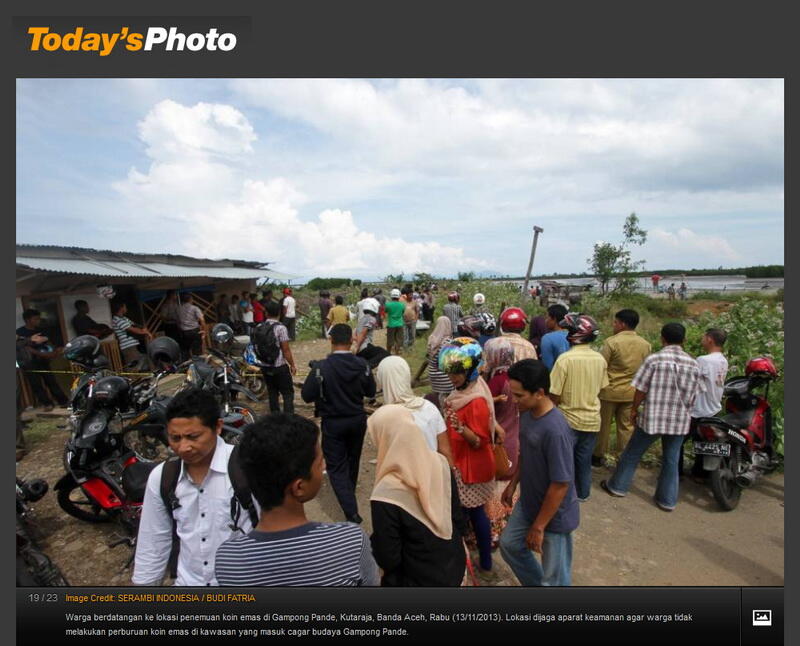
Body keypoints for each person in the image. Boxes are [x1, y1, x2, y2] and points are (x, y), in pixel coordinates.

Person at [214, 413, 380, 586]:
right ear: (299, 487)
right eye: (319, 463)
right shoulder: (350, 543)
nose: (324, 467)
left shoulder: (229, 560)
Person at [132, 388, 254, 586]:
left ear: (218, 427)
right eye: (175, 438)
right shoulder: (162, 478)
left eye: (193, 436)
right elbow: (153, 543)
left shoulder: (248, 468)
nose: (183, 447)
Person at [601, 323, 700, 511]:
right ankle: (667, 500)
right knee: (671, 459)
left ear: (662, 338)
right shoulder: (693, 363)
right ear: (684, 340)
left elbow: (641, 388)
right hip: (679, 420)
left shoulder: (655, 360)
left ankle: (618, 487)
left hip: (653, 417)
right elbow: (695, 394)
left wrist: (634, 409)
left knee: (632, 453)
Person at [500, 359, 579, 587]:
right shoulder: (527, 414)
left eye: (519, 395)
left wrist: (539, 526)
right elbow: (526, 453)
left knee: (555, 577)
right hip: (529, 503)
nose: (514, 401)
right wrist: (513, 483)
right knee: (510, 545)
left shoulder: (555, 431)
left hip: (554, 516)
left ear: (540, 393)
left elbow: (561, 484)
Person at [368, 405, 466, 586]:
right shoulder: (440, 463)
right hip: (454, 566)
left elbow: (389, 558)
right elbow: (457, 518)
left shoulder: (385, 494)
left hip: (417, 578)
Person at [301, 324, 376, 523]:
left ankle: (351, 511)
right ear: (352, 339)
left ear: (331, 340)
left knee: (335, 466)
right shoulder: (362, 365)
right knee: (353, 460)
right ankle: (348, 496)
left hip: (333, 422)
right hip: (357, 420)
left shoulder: (321, 367)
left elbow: (306, 395)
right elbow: (370, 391)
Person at [439, 337, 496, 574]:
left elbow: (479, 442)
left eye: (457, 373)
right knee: (470, 514)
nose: (452, 378)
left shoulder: (476, 401)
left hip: (470, 465)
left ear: (471, 371)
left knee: (472, 514)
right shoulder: (465, 391)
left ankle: (483, 562)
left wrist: (461, 429)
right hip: (461, 460)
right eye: (450, 373)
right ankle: (480, 561)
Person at [548, 313, 607, 502]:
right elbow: (602, 387)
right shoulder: (600, 359)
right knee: (584, 460)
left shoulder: (565, 360)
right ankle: (583, 494)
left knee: (564, 460)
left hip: (568, 419)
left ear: (574, 334)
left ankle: (563, 495)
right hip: (592, 419)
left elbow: (554, 394)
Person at [593, 309, 651, 466]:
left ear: (623, 324)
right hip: (631, 392)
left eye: (615, 322)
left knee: (603, 427)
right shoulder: (645, 345)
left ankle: (598, 457)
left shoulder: (611, 342)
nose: (614, 325)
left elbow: (602, 365)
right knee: (626, 428)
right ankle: (624, 460)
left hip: (609, 392)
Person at [375, 356, 452, 463]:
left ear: (383, 380)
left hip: (401, 477)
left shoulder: (382, 417)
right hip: (431, 474)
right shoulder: (429, 408)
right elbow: (445, 450)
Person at [680, 328, 728, 478]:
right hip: (714, 408)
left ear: (710, 340)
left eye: (704, 336)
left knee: (678, 441)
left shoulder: (704, 360)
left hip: (698, 410)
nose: (702, 339)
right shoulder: (722, 360)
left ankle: (676, 473)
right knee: (704, 443)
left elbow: (691, 378)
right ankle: (700, 474)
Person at [16, 310, 69, 411]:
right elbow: (25, 348)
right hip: (29, 362)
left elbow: (47, 342)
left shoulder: (40, 330)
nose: (38, 321)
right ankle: (47, 403)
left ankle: (63, 401)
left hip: (43, 360)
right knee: (36, 384)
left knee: (51, 381)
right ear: (27, 320)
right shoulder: (19, 333)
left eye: (38, 318)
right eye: (35, 319)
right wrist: (42, 354)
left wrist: (54, 351)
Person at [256, 300, 297, 413]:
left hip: (265, 365)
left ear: (266, 313)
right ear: (279, 313)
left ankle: (275, 417)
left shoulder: (259, 326)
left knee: (272, 392)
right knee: (288, 393)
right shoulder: (281, 328)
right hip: (279, 366)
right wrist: (292, 365)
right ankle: (288, 418)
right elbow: (286, 350)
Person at [111, 299, 152, 371]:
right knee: (133, 367)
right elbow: (132, 329)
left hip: (133, 345)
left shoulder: (124, 318)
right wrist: (145, 332)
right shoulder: (117, 320)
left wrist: (142, 328)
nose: (126, 308)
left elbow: (134, 325)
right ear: (121, 308)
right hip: (128, 347)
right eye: (125, 307)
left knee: (141, 363)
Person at [426, 316, 455, 408]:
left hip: (433, 373)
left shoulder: (431, 339)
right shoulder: (449, 342)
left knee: (438, 396)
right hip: (445, 376)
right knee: (447, 399)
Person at [539, 304, 570, 371]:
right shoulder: (574, 336)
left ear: (554, 319)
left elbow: (547, 367)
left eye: (547, 317)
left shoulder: (547, 339)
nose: (546, 321)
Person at [178, 293, 206, 358]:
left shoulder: (179, 309)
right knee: (197, 349)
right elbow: (202, 320)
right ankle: (199, 364)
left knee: (186, 350)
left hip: (184, 332)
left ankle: (189, 364)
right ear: (190, 299)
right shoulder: (194, 308)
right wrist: (204, 331)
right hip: (194, 331)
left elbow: (178, 321)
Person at [384, 288, 406, 355]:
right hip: (400, 324)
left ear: (391, 296)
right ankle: (397, 353)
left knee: (390, 340)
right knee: (399, 340)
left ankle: (388, 353)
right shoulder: (402, 305)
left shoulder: (388, 305)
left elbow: (385, 311)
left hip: (391, 325)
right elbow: (402, 312)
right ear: (399, 296)